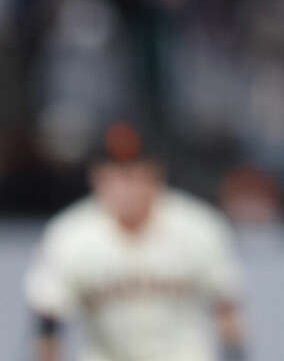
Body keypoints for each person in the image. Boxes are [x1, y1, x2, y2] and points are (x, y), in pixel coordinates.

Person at [24, 122, 248, 361]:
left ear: (156, 175)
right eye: (115, 174)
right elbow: (48, 318)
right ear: (97, 178)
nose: (125, 187)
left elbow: (227, 308)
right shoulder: (70, 234)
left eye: (134, 174)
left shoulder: (198, 226)